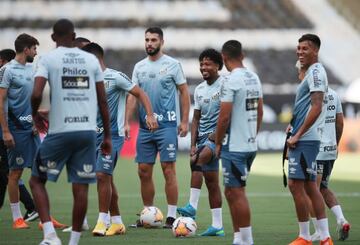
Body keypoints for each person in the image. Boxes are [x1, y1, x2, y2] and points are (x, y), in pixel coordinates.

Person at [29, 19, 111, 245]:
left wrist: (35, 114)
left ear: (54, 38)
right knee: (81, 186)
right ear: (74, 36)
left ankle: (50, 236)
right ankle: (74, 242)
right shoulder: (91, 60)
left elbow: (36, 93)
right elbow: (103, 101)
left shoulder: (48, 58)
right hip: (86, 132)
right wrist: (107, 136)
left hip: (61, 131)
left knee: (36, 181)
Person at [82, 42, 158, 236]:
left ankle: (102, 221)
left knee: (102, 175)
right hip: (91, 135)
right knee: (106, 177)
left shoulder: (115, 77)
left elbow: (139, 93)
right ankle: (117, 222)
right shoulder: (85, 80)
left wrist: (149, 114)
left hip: (112, 135)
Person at [127, 27, 190, 228]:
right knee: (143, 171)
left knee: (168, 169)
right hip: (146, 129)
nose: (149, 43)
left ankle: (171, 216)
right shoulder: (138, 67)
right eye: (147, 39)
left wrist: (185, 120)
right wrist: (127, 121)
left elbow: (184, 92)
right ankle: (148, 214)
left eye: (153, 40)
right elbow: (132, 95)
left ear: (161, 42)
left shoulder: (173, 64)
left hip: (167, 126)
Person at [286, 34, 333, 245]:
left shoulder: (315, 73)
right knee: (307, 186)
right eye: (298, 48)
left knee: (298, 185)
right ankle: (323, 237)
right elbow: (306, 107)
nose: (300, 52)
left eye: (305, 48)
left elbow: (317, 106)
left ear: (315, 50)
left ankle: (306, 237)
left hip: (306, 139)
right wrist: (293, 126)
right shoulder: (311, 73)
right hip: (306, 137)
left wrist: (298, 134)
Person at [215, 40, 263, 245]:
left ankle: (247, 240)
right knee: (230, 191)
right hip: (250, 144)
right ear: (242, 55)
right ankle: (238, 238)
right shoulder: (254, 77)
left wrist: (217, 142)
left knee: (237, 191)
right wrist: (253, 134)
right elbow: (259, 111)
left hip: (234, 146)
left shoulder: (230, 80)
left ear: (224, 58)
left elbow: (224, 117)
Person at [177, 48, 224, 236]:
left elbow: (229, 113)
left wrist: (216, 135)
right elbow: (195, 118)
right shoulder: (199, 89)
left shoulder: (225, 85)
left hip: (218, 138)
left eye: (208, 64)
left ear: (218, 66)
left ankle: (192, 207)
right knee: (212, 183)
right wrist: (193, 144)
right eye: (201, 64)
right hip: (202, 138)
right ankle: (217, 226)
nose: (203, 67)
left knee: (196, 160)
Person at [0, 35, 40, 229]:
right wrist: (5, 131)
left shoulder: (32, 69)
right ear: (26, 49)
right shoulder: (6, 70)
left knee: (40, 171)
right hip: (14, 130)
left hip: (30, 130)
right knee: (15, 173)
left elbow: (31, 99)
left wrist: (35, 120)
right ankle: (17, 218)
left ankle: (44, 217)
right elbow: (0, 102)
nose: (36, 52)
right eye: (34, 49)